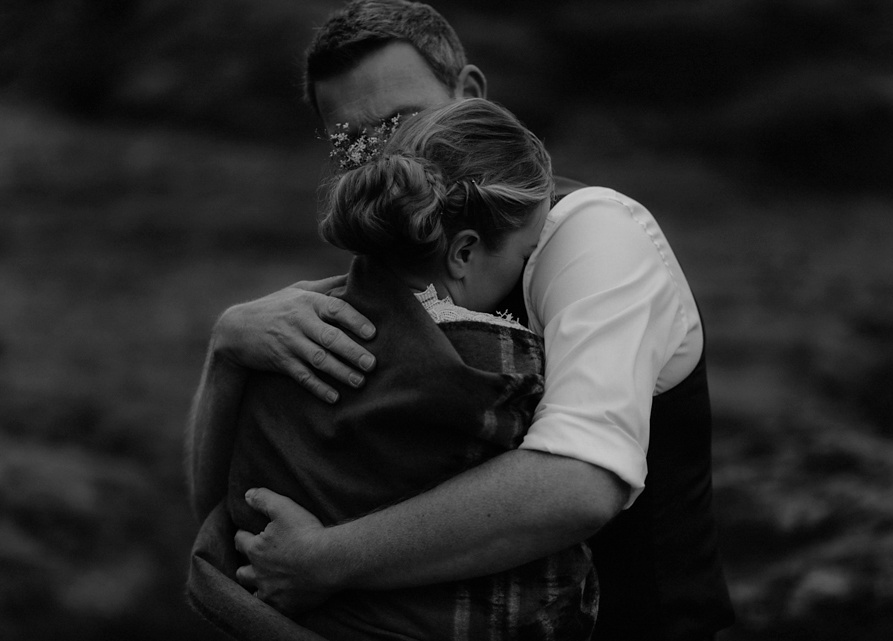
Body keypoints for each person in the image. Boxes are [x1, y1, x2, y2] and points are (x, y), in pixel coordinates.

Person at [185, 1, 735, 639]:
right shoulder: (379, 267)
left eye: (403, 120)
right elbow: (231, 517)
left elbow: (582, 481)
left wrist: (325, 561)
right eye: (353, 140)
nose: (386, 151)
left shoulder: (587, 229)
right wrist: (226, 353)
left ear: (469, 93)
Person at [190, 98, 598, 640]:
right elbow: (563, 492)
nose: (529, 278)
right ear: (464, 252)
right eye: (526, 258)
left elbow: (217, 499)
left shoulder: (282, 331)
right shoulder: (496, 363)